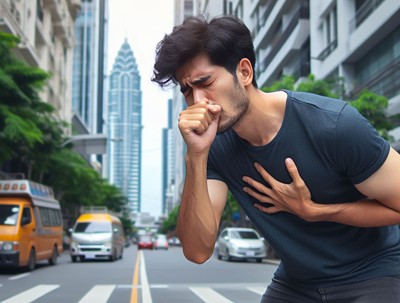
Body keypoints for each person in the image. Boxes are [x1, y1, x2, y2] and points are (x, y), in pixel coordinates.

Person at [151, 14, 400, 303]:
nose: (197, 102)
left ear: (244, 72)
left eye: (205, 82)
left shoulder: (332, 125)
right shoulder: (213, 146)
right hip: (297, 282)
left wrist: (316, 210)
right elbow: (197, 251)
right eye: (187, 90)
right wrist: (195, 156)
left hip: (373, 272)